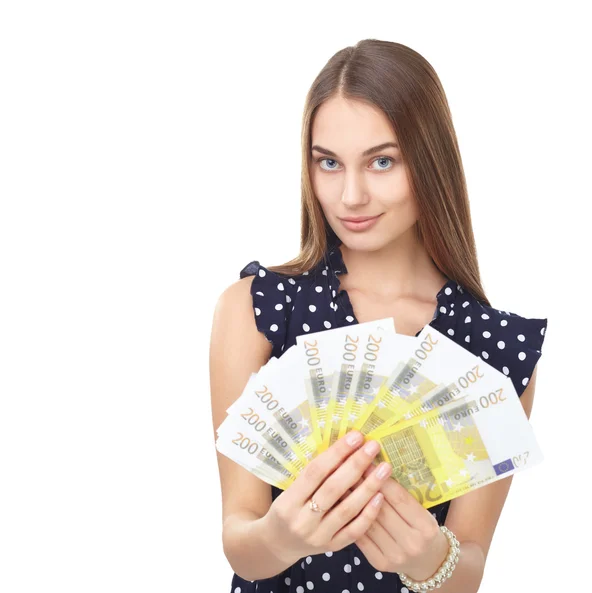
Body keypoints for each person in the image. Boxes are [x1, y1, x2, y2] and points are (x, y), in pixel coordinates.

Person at [209, 39, 548, 593]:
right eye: (328, 163)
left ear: (431, 160)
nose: (351, 195)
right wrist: (282, 537)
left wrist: (430, 558)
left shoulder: (495, 349)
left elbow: (470, 569)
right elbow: (238, 539)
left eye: (382, 161)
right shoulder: (256, 308)